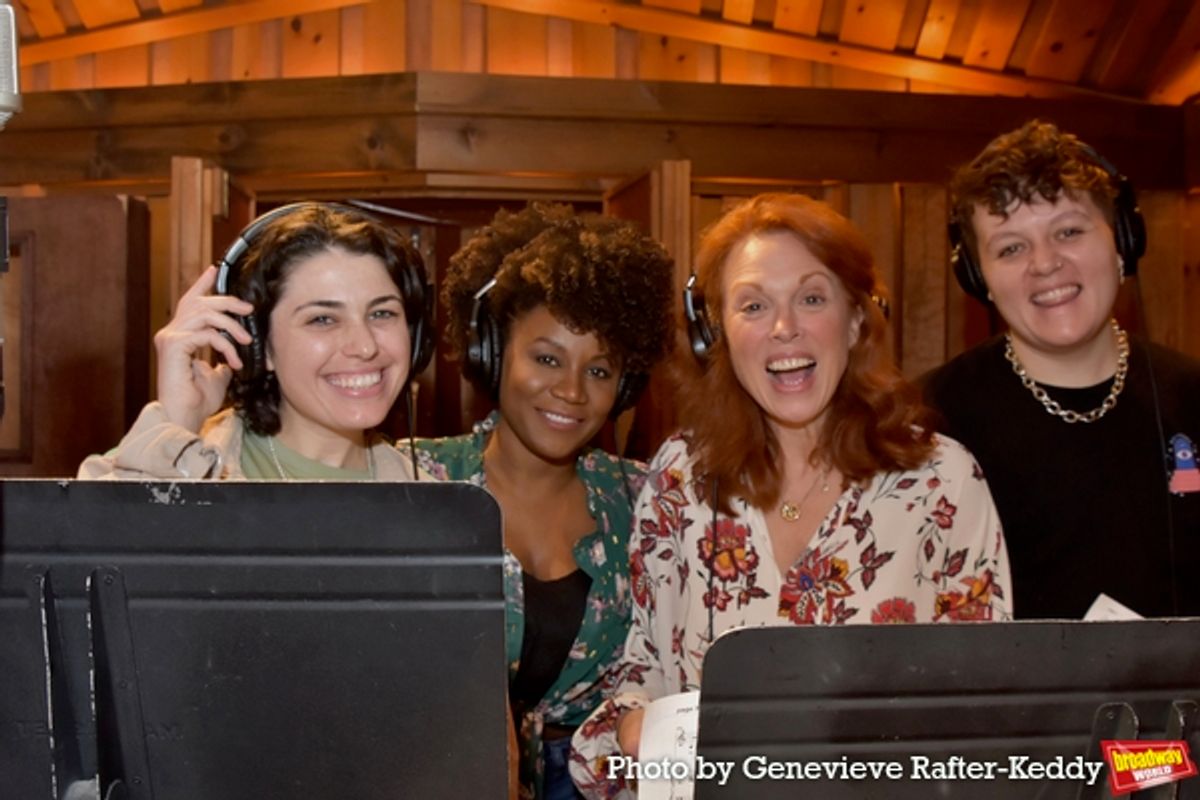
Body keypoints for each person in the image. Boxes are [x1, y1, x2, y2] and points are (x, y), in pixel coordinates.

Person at [569, 193, 1011, 798]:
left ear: (856, 319)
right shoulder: (681, 475)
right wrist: (635, 732)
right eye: (753, 305)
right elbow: (640, 670)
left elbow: (992, 717)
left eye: (811, 298)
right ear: (715, 333)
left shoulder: (944, 481)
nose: (784, 328)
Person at [408, 203, 675, 799]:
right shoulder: (414, 480)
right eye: (547, 358)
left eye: (600, 370)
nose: (572, 391)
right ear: (493, 353)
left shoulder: (645, 499)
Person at [924, 120, 1200, 619]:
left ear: (1123, 242)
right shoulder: (925, 422)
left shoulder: (1194, 398)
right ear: (977, 277)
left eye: (1068, 231)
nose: (1045, 263)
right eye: (1011, 247)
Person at [79, 202, 433, 481]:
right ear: (260, 344)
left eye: (382, 313)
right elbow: (84, 560)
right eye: (322, 319)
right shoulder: (179, 463)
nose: (365, 345)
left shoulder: (437, 512)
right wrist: (175, 420)